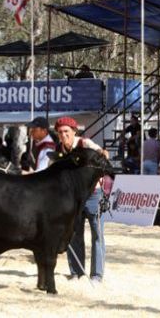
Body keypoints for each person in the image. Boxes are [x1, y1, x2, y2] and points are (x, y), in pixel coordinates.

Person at [53, 116, 109, 282]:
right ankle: (76, 272)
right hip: (73, 198)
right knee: (74, 234)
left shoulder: (85, 143)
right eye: (60, 132)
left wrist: (100, 160)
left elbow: (103, 153)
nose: (63, 135)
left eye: (66, 131)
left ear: (74, 131)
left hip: (93, 195)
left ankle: (97, 275)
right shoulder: (59, 150)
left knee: (97, 235)